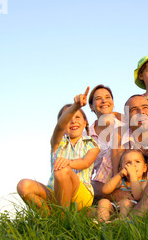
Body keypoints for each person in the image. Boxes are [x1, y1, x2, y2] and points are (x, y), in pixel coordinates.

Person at [17, 87, 100, 215]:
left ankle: (63, 217)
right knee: (23, 185)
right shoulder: (58, 143)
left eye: (77, 117)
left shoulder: (91, 144)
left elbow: (86, 162)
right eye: (69, 118)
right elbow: (60, 125)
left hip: (80, 194)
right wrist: (75, 106)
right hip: (55, 193)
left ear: (84, 123)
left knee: (61, 169)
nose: (73, 120)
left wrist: (68, 163)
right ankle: (52, 218)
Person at [92, 94, 148, 218]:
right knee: (97, 209)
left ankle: (132, 221)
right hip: (123, 205)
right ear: (127, 118)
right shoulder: (118, 147)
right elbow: (97, 186)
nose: (140, 112)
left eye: (145, 108)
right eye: (133, 110)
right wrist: (123, 195)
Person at [97, 149, 148, 222]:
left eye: (137, 161)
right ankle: (102, 222)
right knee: (103, 201)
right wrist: (119, 175)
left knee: (126, 202)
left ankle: (121, 221)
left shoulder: (143, 182)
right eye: (128, 163)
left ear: (144, 168)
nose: (133, 165)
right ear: (121, 168)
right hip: (116, 207)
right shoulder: (121, 181)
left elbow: (137, 196)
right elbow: (105, 190)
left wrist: (133, 174)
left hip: (131, 208)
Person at [86, 84, 123, 173]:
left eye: (107, 97)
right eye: (98, 98)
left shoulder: (125, 125)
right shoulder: (86, 136)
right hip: (101, 183)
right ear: (91, 106)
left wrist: (117, 114)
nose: (104, 101)